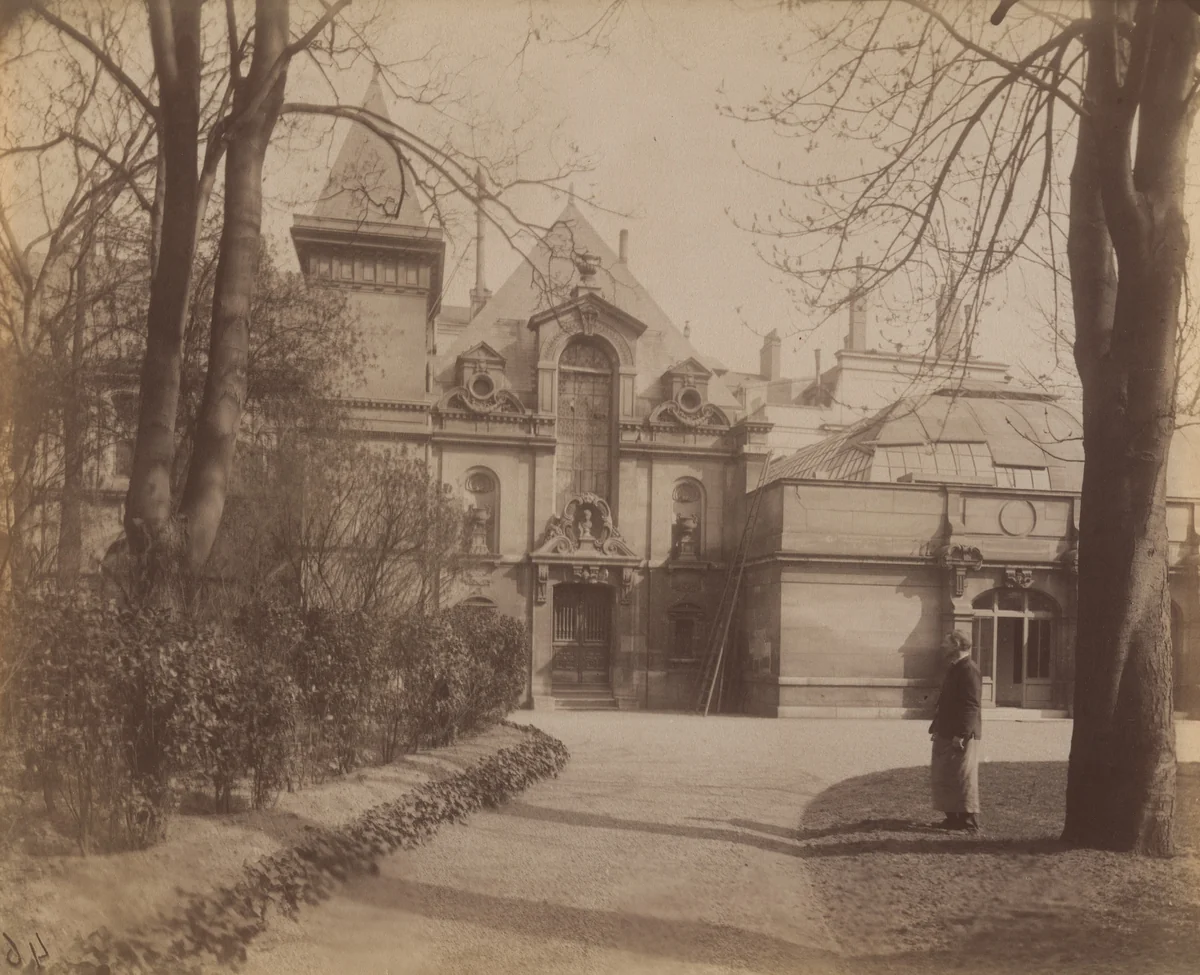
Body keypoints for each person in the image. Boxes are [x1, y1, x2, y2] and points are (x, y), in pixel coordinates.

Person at [928, 629, 983, 832]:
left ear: (957, 644)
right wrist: (938, 728)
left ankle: (969, 822)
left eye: (946, 643)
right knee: (944, 775)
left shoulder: (969, 669)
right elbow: (946, 703)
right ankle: (953, 819)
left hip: (962, 735)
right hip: (946, 732)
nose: (942, 646)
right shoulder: (955, 668)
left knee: (963, 776)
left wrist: (961, 734)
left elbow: (971, 705)